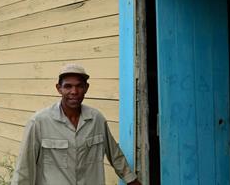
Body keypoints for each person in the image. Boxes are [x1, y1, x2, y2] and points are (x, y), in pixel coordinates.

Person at [11, 63, 141, 185]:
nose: (74, 91)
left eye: (79, 86)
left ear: (86, 88)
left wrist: (132, 181)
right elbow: (24, 167)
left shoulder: (96, 119)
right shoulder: (39, 122)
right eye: (68, 86)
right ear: (59, 89)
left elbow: (115, 155)